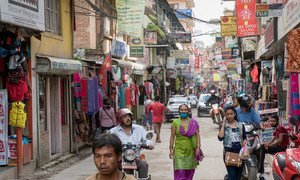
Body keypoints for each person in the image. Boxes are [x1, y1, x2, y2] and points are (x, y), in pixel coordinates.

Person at [110, 108, 154, 179]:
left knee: (143, 164)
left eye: (129, 116)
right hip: (119, 158)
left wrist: (148, 144)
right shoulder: (113, 131)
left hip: (135, 157)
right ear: (119, 119)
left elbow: (146, 139)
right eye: (124, 117)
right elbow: (107, 141)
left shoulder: (139, 129)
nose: (128, 118)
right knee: (110, 166)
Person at [169, 104, 202, 180]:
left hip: (190, 151)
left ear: (188, 111)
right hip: (179, 151)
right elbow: (172, 137)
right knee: (179, 170)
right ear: (179, 111)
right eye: (182, 110)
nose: (183, 111)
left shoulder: (193, 122)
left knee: (189, 172)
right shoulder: (175, 122)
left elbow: (197, 135)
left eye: (185, 110)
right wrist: (171, 149)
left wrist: (198, 147)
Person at [218, 106, 247, 180]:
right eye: (227, 114)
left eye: (231, 114)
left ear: (235, 114)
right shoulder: (224, 126)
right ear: (225, 116)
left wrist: (244, 143)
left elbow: (244, 137)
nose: (229, 116)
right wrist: (223, 124)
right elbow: (220, 138)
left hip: (239, 154)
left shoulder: (240, 125)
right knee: (232, 176)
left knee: (238, 176)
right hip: (228, 153)